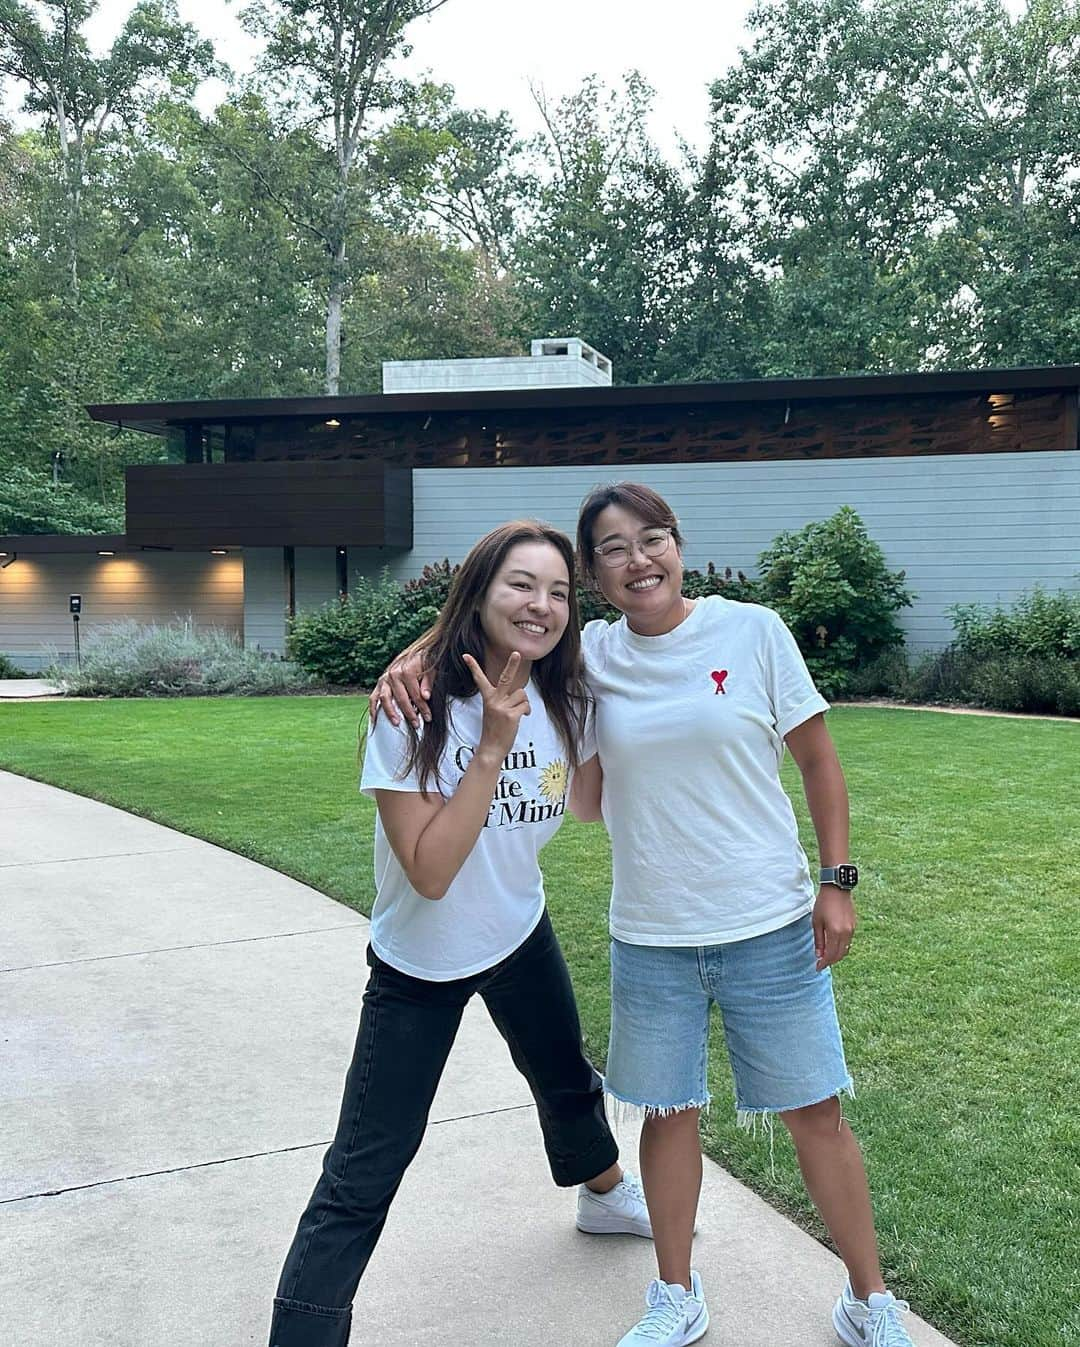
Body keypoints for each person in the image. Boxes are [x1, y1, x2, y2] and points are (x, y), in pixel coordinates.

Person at [371, 483, 919, 1347]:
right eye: (615, 549)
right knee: (667, 1115)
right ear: (593, 573)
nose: (640, 560)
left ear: (678, 544)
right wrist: (415, 653)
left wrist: (837, 879)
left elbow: (818, 760)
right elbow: (499, 622)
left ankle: (868, 1299)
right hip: (652, 934)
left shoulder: (753, 631)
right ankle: (675, 1293)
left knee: (816, 1113)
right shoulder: (589, 653)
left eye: (653, 538)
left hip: (769, 925)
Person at [270, 520, 650, 1347]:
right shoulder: (410, 707)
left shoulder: (567, 691)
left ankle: (605, 1190)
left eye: (557, 591)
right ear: (478, 590)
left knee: (563, 1074)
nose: (540, 605)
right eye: (520, 584)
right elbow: (431, 873)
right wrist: (489, 748)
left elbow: (588, 795)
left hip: (518, 927)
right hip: (420, 962)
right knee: (365, 1169)